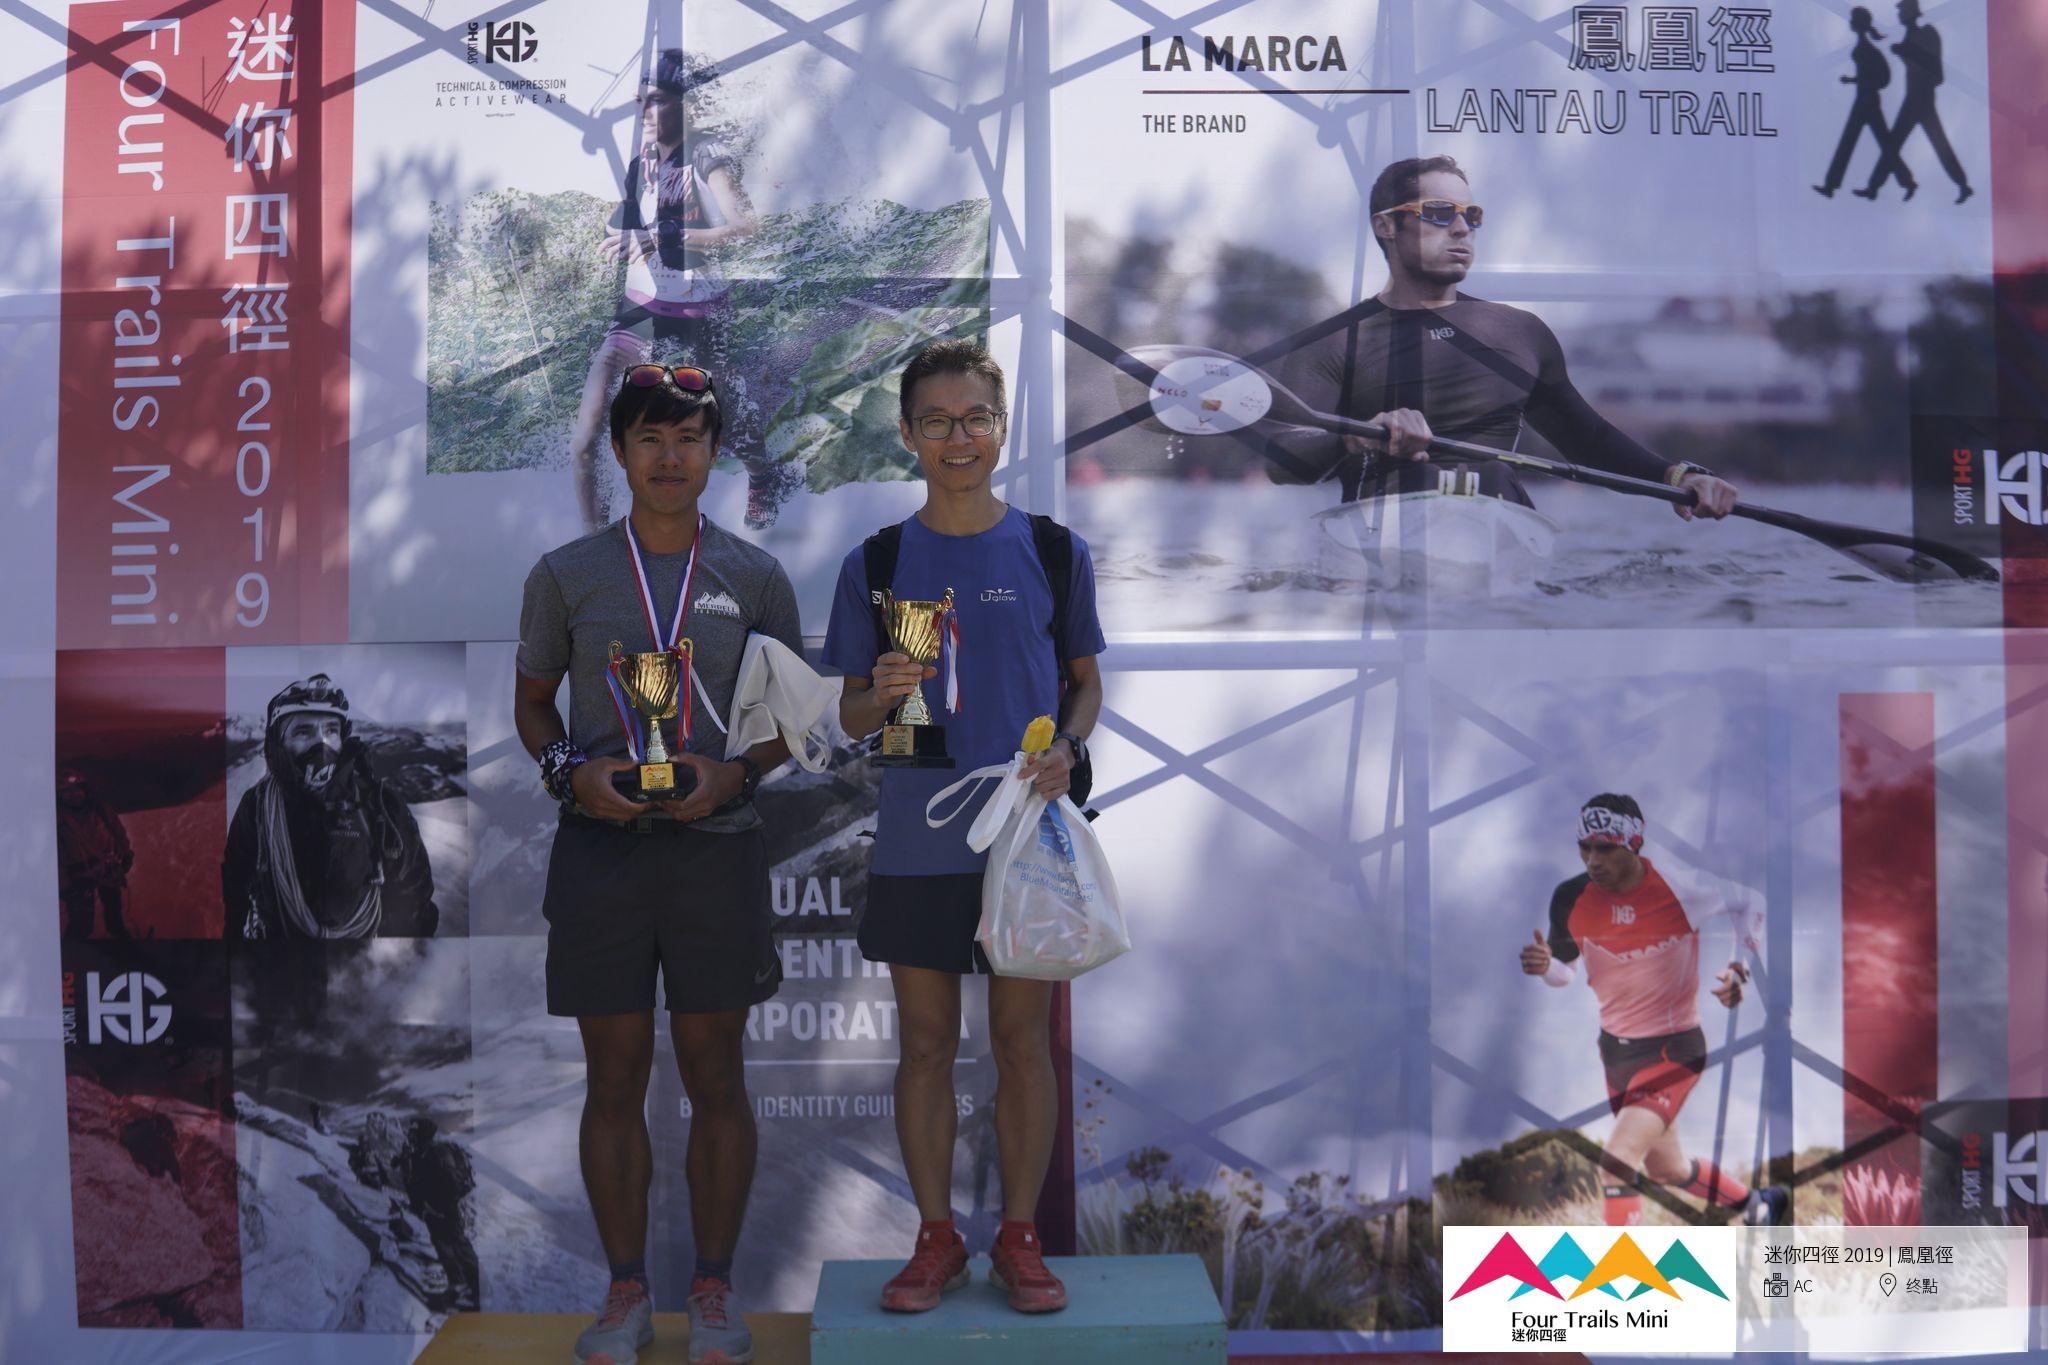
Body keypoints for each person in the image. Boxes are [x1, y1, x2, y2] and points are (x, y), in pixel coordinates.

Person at [517, 364, 801, 1365]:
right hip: (600, 853)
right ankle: (626, 1292)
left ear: (714, 453)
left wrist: (735, 774)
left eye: (687, 439)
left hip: (715, 853)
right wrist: (570, 773)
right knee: (613, 1078)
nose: (669, 457)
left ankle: (713, 1292)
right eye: (649, 438)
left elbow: (788, 721)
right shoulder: (567, 573)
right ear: (619, 452)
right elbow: (533, 705)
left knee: (717, 1072)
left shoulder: (755, 576)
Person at [823, 338, 1105, 1315]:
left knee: (1022, 1047)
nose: (958, 437)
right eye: (937, 420)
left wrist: (1069, 750)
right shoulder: (876, 562)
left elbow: (1084, 685)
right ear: (906, 434)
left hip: (1024, 833)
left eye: (975, 418)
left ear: (1001, 429)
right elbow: (851, 716)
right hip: (918, 834)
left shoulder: (1054, 549)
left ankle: (1019, 1240)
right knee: (927, 1049)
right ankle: (936, 1238)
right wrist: (880, 694)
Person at [1268, 155, 1741, 518]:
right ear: (1385, 226)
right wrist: (1357, 440)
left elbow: (1587, 439)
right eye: (1439, 212)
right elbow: (1283, 464)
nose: (1461, 228)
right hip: (1381, 525)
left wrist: (1679, 476)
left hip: (1502, 524)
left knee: (1498, 479)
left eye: (1472, 215)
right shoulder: (1332, 343)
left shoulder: (1520, 332)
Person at [1519, 794, 1787, 1227]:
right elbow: (1564, 973)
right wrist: (1545, 965)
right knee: (1668, 1169)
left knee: (1617, 1162)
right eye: (1584, 847)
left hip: (1672, 1051)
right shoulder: (1570, 896)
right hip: (1615, 1053)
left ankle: (1626, 1271)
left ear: (1634, 843)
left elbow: (1751, 901)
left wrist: (1739, 968)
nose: (1593, 860)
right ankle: (1760, 1206)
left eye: (1605, 848)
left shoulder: (1681, 888)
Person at [568, 50, 791, 535]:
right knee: (586, 437)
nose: (645, 113)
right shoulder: (640, 162)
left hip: (700, 313)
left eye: (656, 101)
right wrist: (618, 233)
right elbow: (627, 222)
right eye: (640, 102)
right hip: (641, 310)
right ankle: (594, 547)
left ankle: (762, 475)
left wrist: (665, 238)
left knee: (723, 419)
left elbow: (746, 226)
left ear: (684, 104)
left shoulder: (707, 155)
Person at [223, 674, 439, 939]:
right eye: (303, 732)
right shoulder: (257, 806)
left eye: (331, 731)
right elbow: (236, 879)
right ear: (279, 743)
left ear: (342, 737)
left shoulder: (381, 805)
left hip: (363, 958)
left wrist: (395, 954)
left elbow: (414, 891)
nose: (321, 744)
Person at [1856, 0, 1971, 204]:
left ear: (1910, 12)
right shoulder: (1909, 37)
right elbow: (1914, 65)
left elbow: (1934, 68)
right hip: (1912, 98)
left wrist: (1907, 51)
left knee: (1923, 143)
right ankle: (1874, 187)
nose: (1899, 15)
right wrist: (1903, 51)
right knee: (1894, 144)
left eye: (1902, 11)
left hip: (1922, 98)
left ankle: (1962, 185)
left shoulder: (1928, 33)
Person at [1814, 8, 1893, 199]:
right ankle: (1830, 185)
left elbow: (1881, 77)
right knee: (1856, 142)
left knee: (1882, 144)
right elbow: (1866, 76)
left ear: (1860, 24)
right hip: (1862, 100)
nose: (1851, 22)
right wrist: (1853, 80)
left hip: (1869, 101)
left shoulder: (1869, 50)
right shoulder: (1863, 48)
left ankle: (1904, 182)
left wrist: (1858, 82)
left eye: (1854, 19)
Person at [57, 768, 131, 939]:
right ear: (60, 796)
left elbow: (118, 832)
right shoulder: (58, 819)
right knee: (81, 924)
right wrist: (65, 884)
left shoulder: (101, 810)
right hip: (78, 875)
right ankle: (74, 950)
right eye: (67, 792)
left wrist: (126, 853)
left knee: (114, 910)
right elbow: (55, 855)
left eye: (77, 790)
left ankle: (118, 937)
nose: (74, 795)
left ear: (84, 790)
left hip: (107, 868)